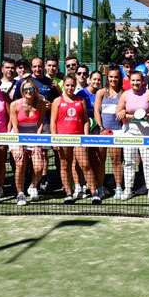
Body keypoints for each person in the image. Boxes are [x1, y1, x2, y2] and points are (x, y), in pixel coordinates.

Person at [51, 73, 93, 204]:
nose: (70, 88)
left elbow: (86, 120)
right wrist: (55, 139)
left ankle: (94, 192)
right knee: (65, 166)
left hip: (79, 139)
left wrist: (86, 137)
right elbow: (53, 122)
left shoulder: (80, 100)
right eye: (67, 85)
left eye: (72, 85)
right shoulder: (57, 101)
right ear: (63, 85)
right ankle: (69, 193)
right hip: (63, 139)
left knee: (85, 165)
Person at [117, 71, 149, 199]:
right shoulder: (125, 95)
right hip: (130, 131)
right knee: (129, 161)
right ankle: (128, 189)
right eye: (133, 80)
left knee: (148, 160)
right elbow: (119, 112)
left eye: (138, 80)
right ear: (130, 81)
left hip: (147, 130)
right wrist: (131, 116)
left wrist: (145, 115)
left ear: (143, 81)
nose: (135, 83)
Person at [9, 78, 47, 205]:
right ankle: (20, 193)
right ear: (22, 91)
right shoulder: (14, 105)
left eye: (31, 89)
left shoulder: (40, 103)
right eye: (26, 89)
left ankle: (33, 186)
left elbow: (40, 123)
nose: (29, 92)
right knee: (20, 164)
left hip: (34, 136)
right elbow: (15, 127)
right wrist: (19, 145)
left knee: (39, 166)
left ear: (35, 90)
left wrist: (37, 143)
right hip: (18, 135)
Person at [94, 67, 125, 199]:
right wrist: (101, 128)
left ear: (119, 78)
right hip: (103, 132)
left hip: (118, 132)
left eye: (116, 77)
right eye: (111, 77)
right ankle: (100, 188)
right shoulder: (101, 92)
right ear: (108, 78)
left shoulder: (124, 93)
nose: (113, 79)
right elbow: (96, 111)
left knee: (116, 160)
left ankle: (118, 188)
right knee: (100, 161)